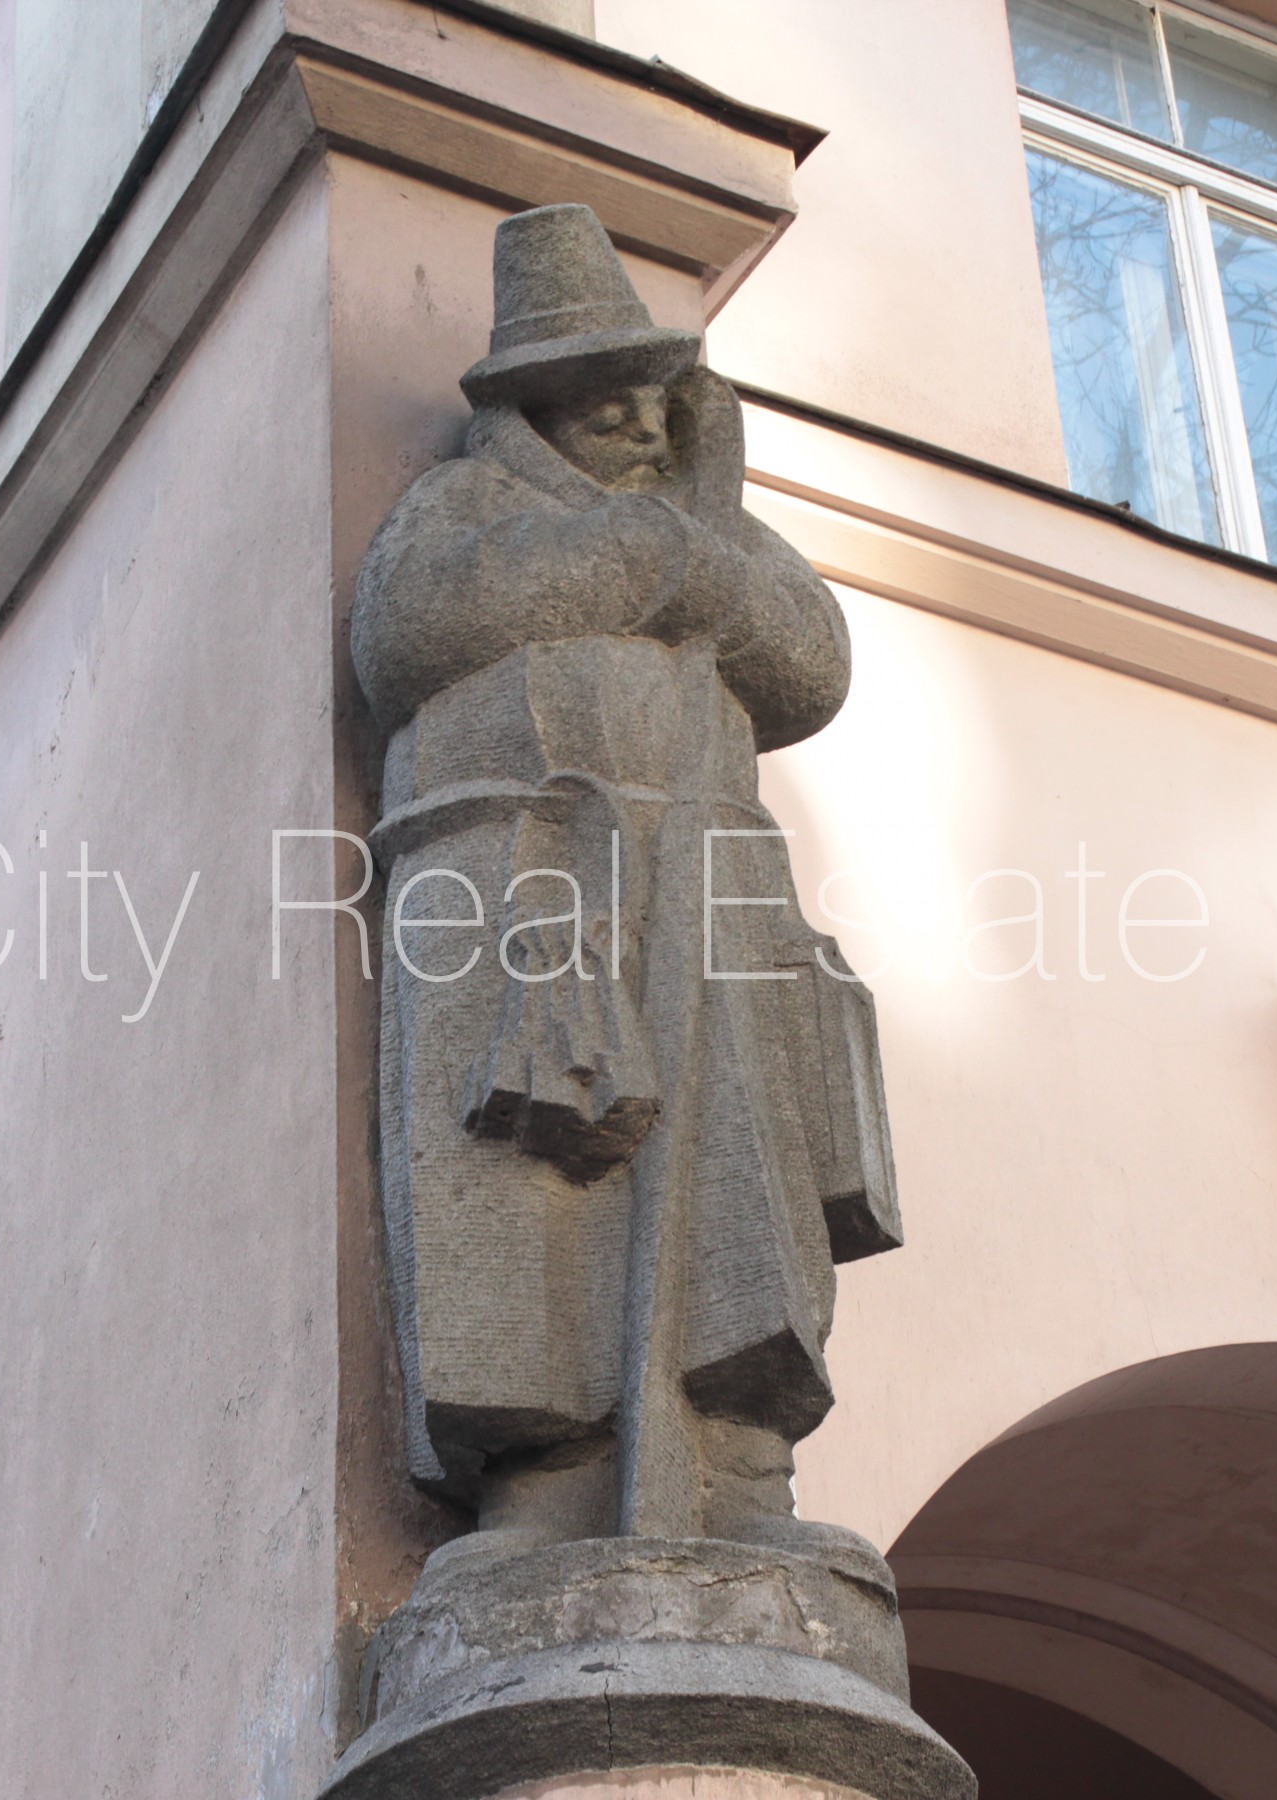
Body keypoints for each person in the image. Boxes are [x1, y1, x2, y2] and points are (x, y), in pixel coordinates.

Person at [353, 204, 903, 1584]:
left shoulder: (716, 526)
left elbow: (813, 666)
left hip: (709, 889)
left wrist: (706, 554)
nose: (647, 433)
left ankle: (740, 1470)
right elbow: (409, 632)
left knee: (740, 1185)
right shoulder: (463, 510)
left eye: (662, 405)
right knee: (528, 1197)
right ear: (537, 413)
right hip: (523, 895)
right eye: (610, 408)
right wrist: (648, 558)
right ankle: (541, 1488)